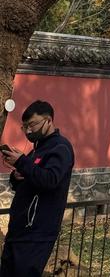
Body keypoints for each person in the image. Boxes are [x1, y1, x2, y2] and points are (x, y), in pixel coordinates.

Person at [0, 100, 74, 277]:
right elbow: (32, 179)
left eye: (32, 124)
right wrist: (16, 175)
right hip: (18, 229)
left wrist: (23, 162)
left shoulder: (60, 148)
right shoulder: (36, 150)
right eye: (24, 126)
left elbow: (51, 179)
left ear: (48, 120)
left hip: (37, 232)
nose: (28, 131)